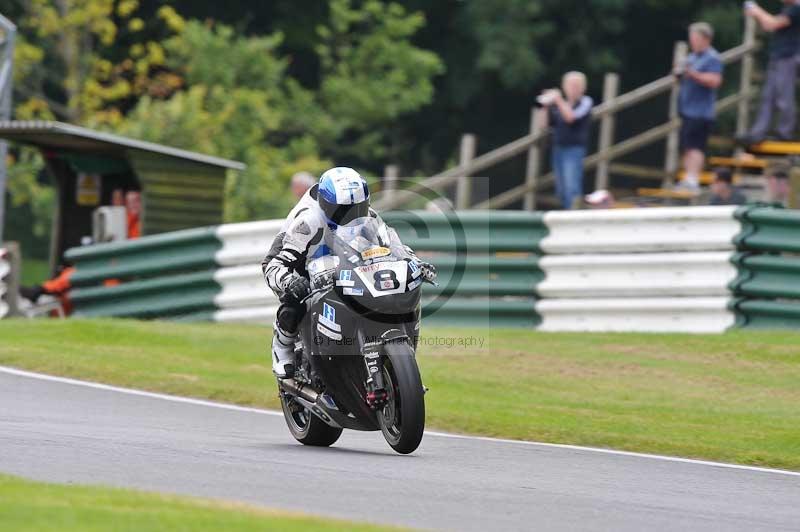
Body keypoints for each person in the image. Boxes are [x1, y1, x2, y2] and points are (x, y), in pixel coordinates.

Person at [261, 167, 437, 378]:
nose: (352, 215)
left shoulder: (370, 216)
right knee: (298, 298)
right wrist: (289, 281)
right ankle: (282, 345)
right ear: (326, 204)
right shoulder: (308, 221)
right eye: (344, 210)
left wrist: (415, 263)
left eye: (358, 208)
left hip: (343, 259)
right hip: (301, 261)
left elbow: (394, 246)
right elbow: (274, 264)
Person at [739, 1, 800, 144]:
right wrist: (758, 14)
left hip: (788, 57)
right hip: (779, 56)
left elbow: (773, 24)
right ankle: (758, 133)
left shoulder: (796, 9)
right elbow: (769, 25)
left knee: (784, 96)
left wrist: (756, 10)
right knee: (768, 96)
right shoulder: (789, 9)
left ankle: (785, 132)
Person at [674, 22, 723, 190]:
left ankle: (693, 179)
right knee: (687, 146)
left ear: (706, 39)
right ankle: (688, 177)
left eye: (695, 38)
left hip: (701, 112)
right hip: (687, 110)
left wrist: (693, 74)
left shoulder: (712, 57)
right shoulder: (692, 57)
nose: (693, 42)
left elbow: (715, 81)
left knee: (695, 146)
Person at [538, 71, 593, 209]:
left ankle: (575, 218)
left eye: (576, 85)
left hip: (574, 149)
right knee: (561, 190)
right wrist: (545, 105)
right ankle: (568, 214)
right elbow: (543, 125)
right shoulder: (559, 104)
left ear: (583, 87)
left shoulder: (585, 102)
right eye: (570, 84)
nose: (573, 88)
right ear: (564, 86)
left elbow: (571, 117)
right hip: (558, 148)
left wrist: (557, 99)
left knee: (572, 187)